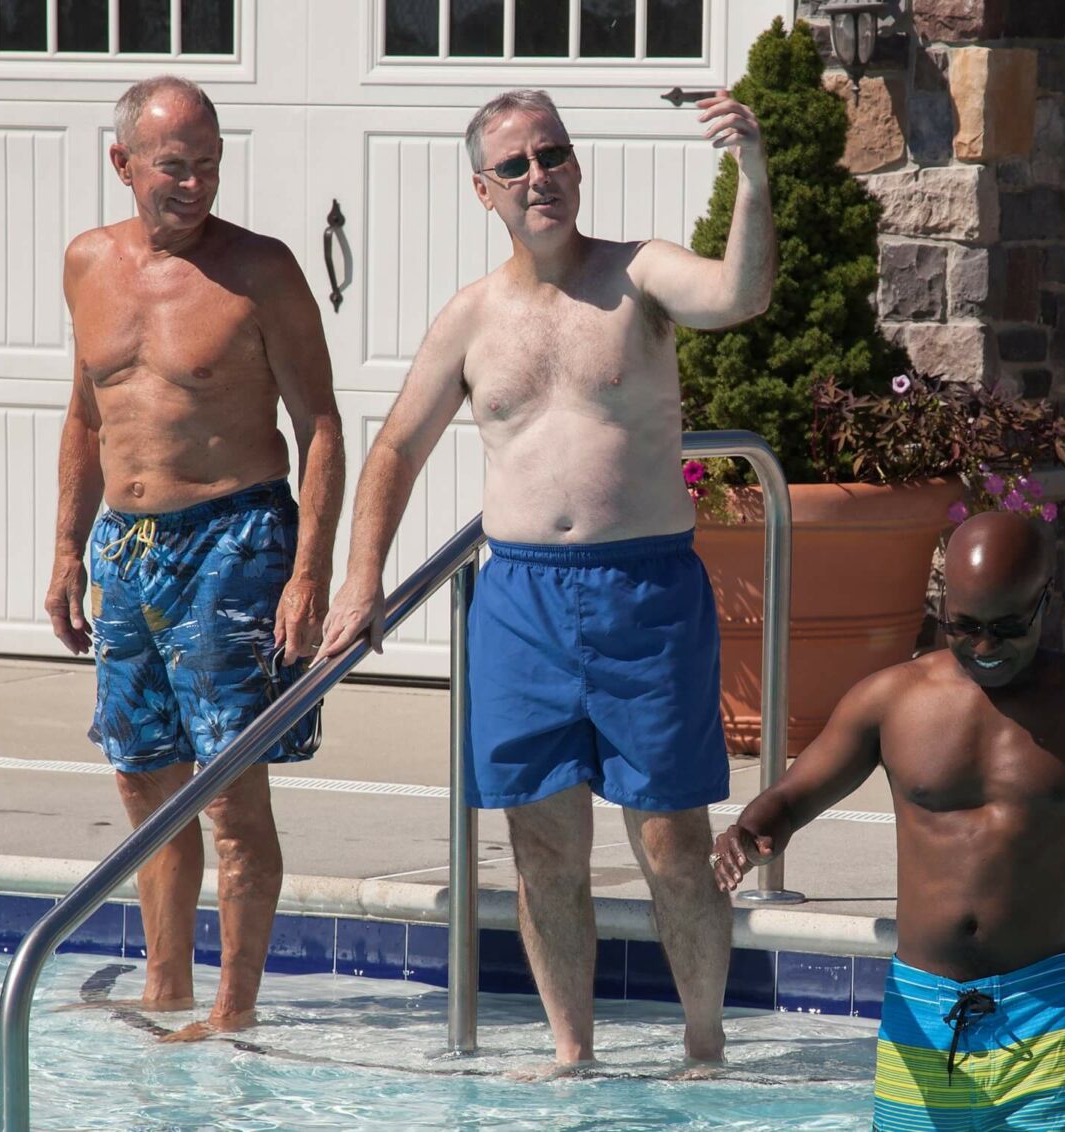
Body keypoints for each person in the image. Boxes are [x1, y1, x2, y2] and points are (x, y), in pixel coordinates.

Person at [317, 88, 775, 1072]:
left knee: (672, 849)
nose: (541, 177)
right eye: (517, 166)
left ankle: (704, 1050)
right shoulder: (473, 318)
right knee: (543, 855)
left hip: (645, 593)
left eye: (553, 155)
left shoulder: (637, 274)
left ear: (576, 165)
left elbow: (739, 295)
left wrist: (753, 176)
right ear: (485, 190)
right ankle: (575, 1057)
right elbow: (396, 444)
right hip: (521, 602)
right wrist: (362, 580)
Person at [714, 510, 1065, 1130]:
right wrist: (751, 833)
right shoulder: (890, 701)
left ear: (1047, 603)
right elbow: (793, 798)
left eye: (1007, 628)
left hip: (1046, 1012)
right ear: (942, 606)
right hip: (921, 1017)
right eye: (964, 627)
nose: (984, 648)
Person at [45, 75, 344, 1041]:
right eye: (175, 165)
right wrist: (64, 548)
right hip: (125, 548)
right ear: (122, 162)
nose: (196, 183)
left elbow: (322, 426)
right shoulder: (88, 263)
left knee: (228, 785)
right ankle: (165, 983)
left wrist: (310, 572)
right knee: (142, 773)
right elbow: (89, 410)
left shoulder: (262, 271)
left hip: (234, 540)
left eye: (209, 163)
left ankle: (233, 1006)